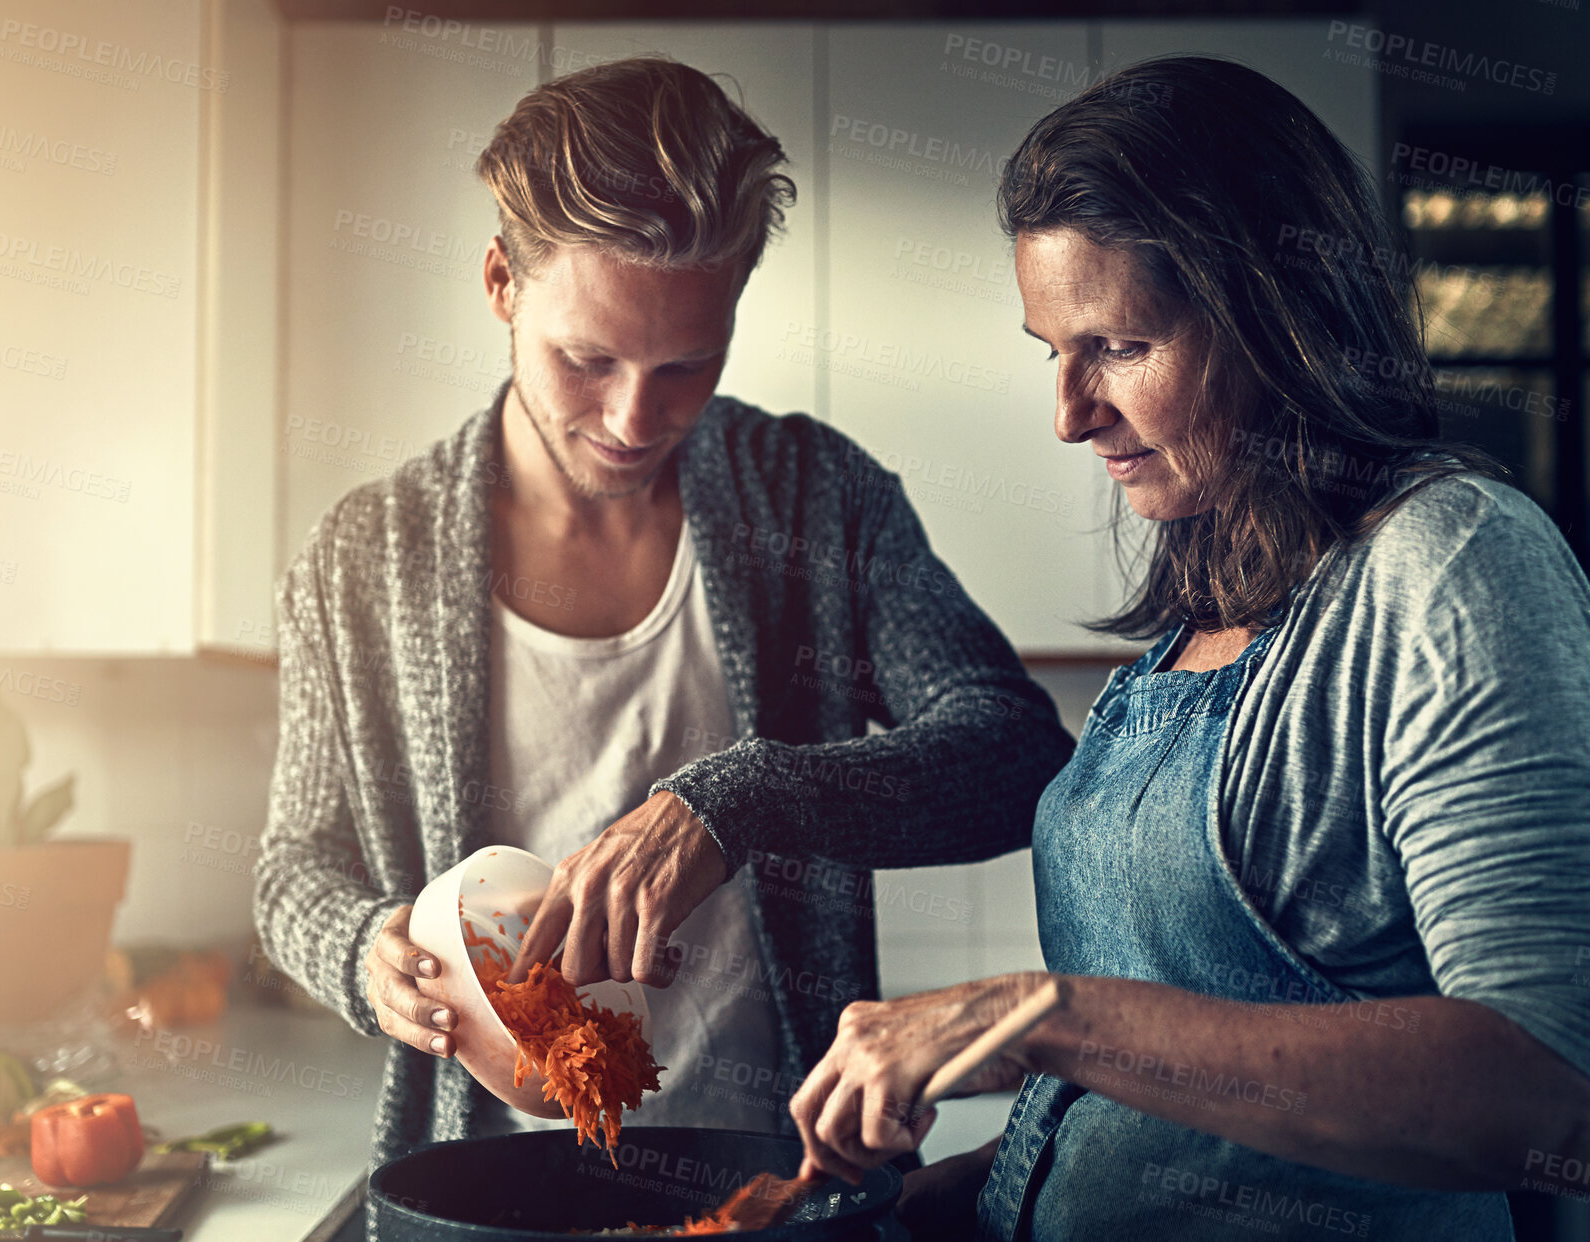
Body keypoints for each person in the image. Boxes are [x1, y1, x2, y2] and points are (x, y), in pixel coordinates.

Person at [787, 56, 1590, 1240]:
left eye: (1116, 344)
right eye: (1049, 349)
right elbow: (1144, 1123)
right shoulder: (1201, 611)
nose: (1069, 413)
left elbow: (1544, 1098)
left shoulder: (1453, 564)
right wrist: (926, 1207)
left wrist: (1042, 1012)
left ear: (1276, 317)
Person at [252, 55, 1070, 1196]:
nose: (637, 418)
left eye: (689, 363)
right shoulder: (363, 558)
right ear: (500, 284)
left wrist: (742, 797)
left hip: (781, 1176)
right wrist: (359, 952)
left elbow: (1017, 752)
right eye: (587, 359)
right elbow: (294, 867)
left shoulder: (816, 497)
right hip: (485, 1183)